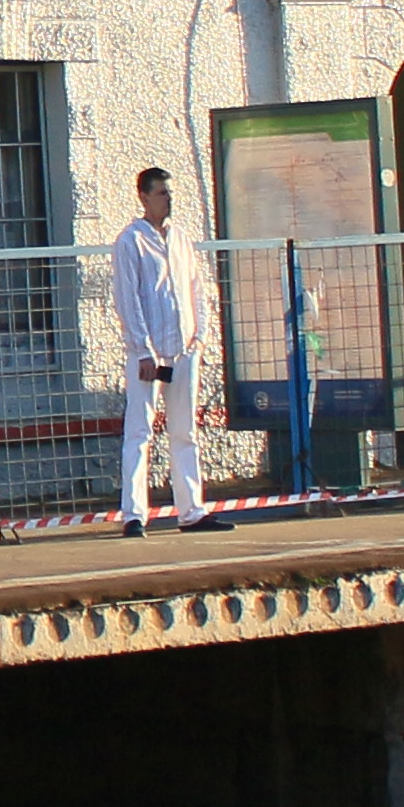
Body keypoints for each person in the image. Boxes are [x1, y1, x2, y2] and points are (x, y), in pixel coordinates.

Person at [110, 165, 238, 535]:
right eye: (162, 193)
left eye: (170, 192)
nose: (169, 199)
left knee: (185, 432)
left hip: (183, 350)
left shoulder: (180, 238)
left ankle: (191, 511)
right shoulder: (130, 241)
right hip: (149, 355)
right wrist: (143, 349)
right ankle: (134, 514)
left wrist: (198, 337)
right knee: (140, 432)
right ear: (145, 197)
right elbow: (128, 299)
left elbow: (196, 288)